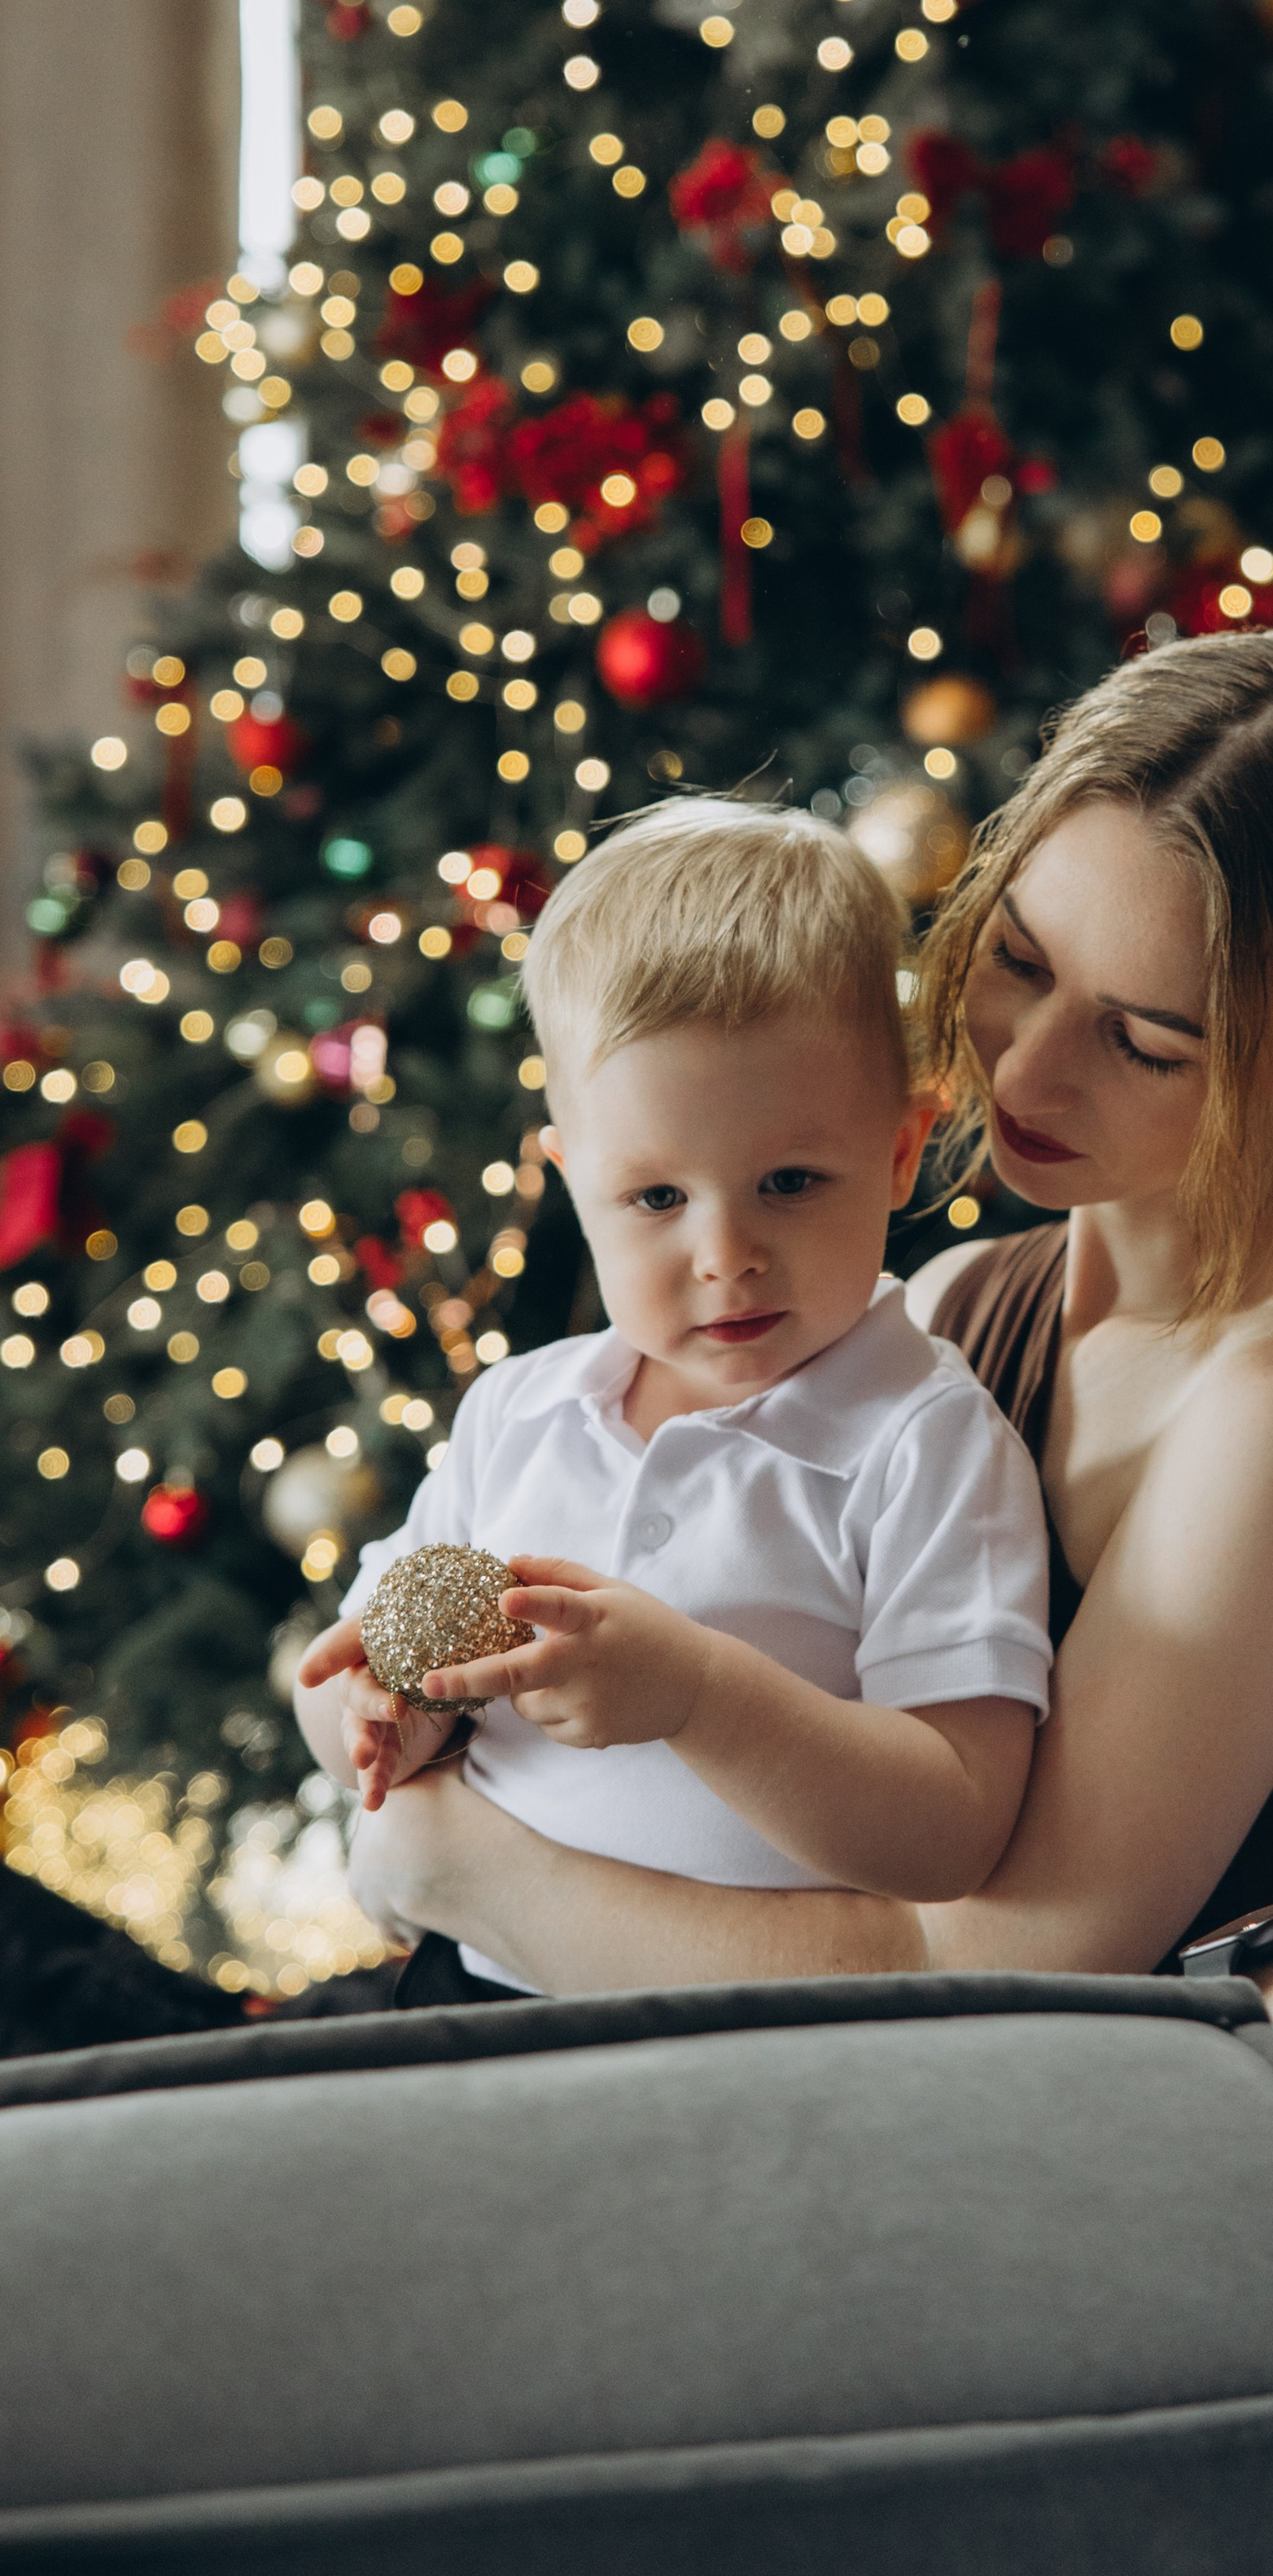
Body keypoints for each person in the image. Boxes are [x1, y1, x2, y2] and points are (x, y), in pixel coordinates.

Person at [332, 629, 1273, 1990]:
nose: (1027, 1068)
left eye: (1144, 1041)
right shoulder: (961, 1295)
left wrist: (446, 1866)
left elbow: (1013, 1959)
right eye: (1018, 958)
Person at [295, 794, 1052, 2002]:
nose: (725, 1254)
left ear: (904, 1151)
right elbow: (361, 1673)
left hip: (723, 2050)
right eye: (655, 1199)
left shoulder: (926, 1445)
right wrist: (382, 1719)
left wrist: (699, 1697)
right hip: (464, 1980)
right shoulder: (519, 1415)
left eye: (791, 1181)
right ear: (570, 1177)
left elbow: (956, 1829)